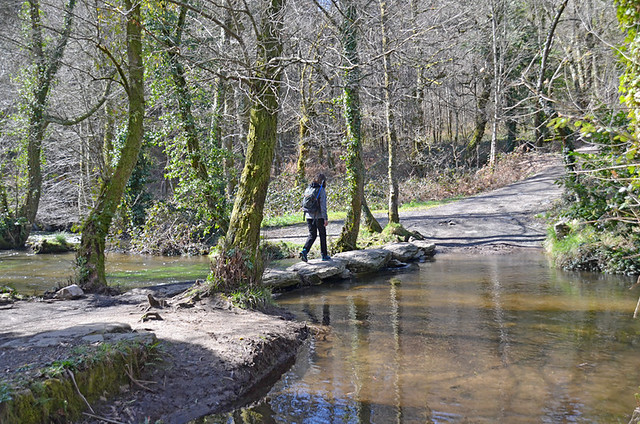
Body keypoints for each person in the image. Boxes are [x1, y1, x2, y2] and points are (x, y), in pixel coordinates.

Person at [300, 173, 331, 262]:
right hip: (319, 216)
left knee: (312, 234)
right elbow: (323, 206)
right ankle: (324, 255)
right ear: (323, 181)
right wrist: (325, 218)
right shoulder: (321, 190)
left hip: (308, 215)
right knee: (322, 234)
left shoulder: (308, 188)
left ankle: (305, 250)